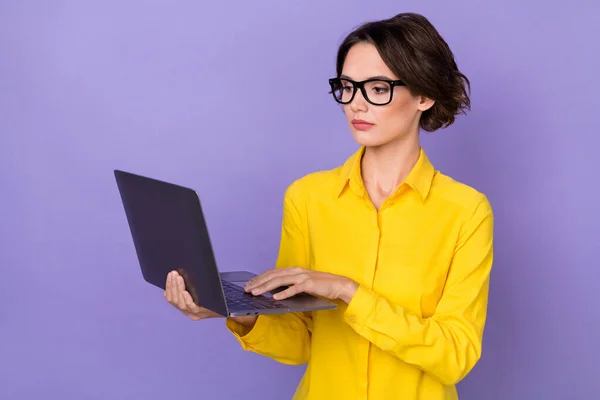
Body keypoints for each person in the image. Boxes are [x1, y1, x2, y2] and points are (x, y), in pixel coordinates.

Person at [164, 12, 494, 400]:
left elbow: (455, 355)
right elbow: (303, 338)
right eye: (347, 87)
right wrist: (239, 312)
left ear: (424, 95)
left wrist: (348, 292)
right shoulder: (308, 197)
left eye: (377, 88)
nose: (356, 104)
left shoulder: (465, 211)